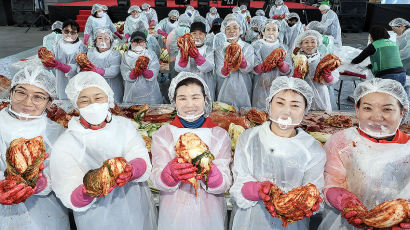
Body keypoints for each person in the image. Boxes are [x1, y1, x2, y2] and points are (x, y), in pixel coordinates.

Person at [50, 71, 157, 230]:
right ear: (75, 103)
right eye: (84, 100)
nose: (93, 104)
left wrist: (131, 170)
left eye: (98, 98)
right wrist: (87, 191)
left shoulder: (124, 126)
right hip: (98, 218)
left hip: (137, 208)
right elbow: (67, 190)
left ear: (108, 97)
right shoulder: (66, 143)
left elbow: (139, 155)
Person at [230, 76, 325, 230]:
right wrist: (256, 190)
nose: (286, 111)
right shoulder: (249, 139)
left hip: (292, 222)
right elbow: (240, 181)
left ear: (305, 110)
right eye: (280, 102)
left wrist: (310, 201)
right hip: (251, 220)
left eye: (295, 105)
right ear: (269, 104)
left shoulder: (312, 149)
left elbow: (315, 189)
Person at [318, 78, 410, 230]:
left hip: (395, 223)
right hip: (344, 223)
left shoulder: (407, 149)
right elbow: (330, 182)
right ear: (356, 109)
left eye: (387, 109)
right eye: (367, 108)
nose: (376, 117)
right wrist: (342, 198)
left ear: (402, 112)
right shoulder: (341, 142)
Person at [150, 72, 232, 230]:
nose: (189, 104)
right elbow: (155, 177)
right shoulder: (163, 135)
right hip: (174, 213)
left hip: (210, 213)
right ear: (174, 101)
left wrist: (213, 175)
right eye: (182, 98)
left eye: (195, 97)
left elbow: (226, 181)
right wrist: (169, 175)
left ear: (205, 99)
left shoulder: (220, 136)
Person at [0, 66, 70, 230]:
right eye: (21, 92)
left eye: (38, 96)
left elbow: (63, 175)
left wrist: (43, 182)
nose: (27, 102)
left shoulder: (56, 133)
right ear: (11, 93)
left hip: (44, 212)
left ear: (49, 101)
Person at [214, 16, 255, 109]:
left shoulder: (248, 47)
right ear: (224, 31)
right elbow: (218, 71)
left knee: (243, 113)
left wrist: (242, 62)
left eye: (235, 27)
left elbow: (248, 69)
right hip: (224, 87)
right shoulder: (220, 50)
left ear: (240, 30)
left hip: (243, 86)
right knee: (225, 111)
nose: (231, 31)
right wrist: (224, 69)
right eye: (228, 28)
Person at [293, 30, 339, 111]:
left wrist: (328, 77)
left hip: (320, 95)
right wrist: (294, 77)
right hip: (300, 94)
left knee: (321, 119)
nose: (310, 45)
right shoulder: (295, 60)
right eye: (306, 42)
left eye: (313, 42)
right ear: (300, 45)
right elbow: (286, 75)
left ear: (318, 43)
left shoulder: (324, 59)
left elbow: (334, 77)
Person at [42, 19, 87, 100]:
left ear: (77, 34)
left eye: (73, 32)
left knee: (75, 99)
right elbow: (50, 63)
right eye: (66, 31)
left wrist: (62, 66)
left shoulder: (82, 47)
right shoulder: (57, 45)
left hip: (76, 80)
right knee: (63, 100)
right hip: (61, 80)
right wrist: (46, 62)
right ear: (62, 31)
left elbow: (81, 67)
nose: (69, 34)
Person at [252, 20, 291, 109]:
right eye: (268, 29)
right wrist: (262, 67)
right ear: (263, 31)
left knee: (276, 106)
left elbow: (288, 70)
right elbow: (253, 67)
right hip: (260, 84)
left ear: (278, 32)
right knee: (259, 109)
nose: (271, 32)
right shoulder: (257, 46)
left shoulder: (283, 48)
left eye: (274, 29)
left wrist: (281, 65)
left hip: (278, 84)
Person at [175, 22, 216, 101]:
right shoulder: (183, 49)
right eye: (194, 33)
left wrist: (197, 56)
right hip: (187, 84)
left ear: (205, 35)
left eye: (200, 34)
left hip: (205, 85)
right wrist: (184, 57)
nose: (197, 36)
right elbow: (178, 69)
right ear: (190, 35)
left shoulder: (209, 50)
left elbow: (209, 68)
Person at [121, 31, 162, 104]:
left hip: (151, 96)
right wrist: (133, 74)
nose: (138, 44)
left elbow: (155, 68)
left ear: (146, 43)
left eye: (141, 41)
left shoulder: (151, 55)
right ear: (131, 43)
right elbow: (124, 72)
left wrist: (147, 72)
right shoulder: (126, 56)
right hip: (132, 95)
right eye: (135, 41)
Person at [86, 28, 123, 102]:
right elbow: (83, 67)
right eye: (100, 38)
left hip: (112, 89)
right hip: (94, 89)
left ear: (111, 41)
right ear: (95, 41)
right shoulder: (90, 53)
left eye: (106, 38)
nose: (103, 41)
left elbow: (114, 71)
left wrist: (96, 70)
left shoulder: (115, 55)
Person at [167, 14, 192, 80]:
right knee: (185, 79)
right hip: (187, 59)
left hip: (174, 57)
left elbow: (168, 44)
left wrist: (171, 55)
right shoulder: (191, 32)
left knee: (174, 78)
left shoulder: (174, 31)